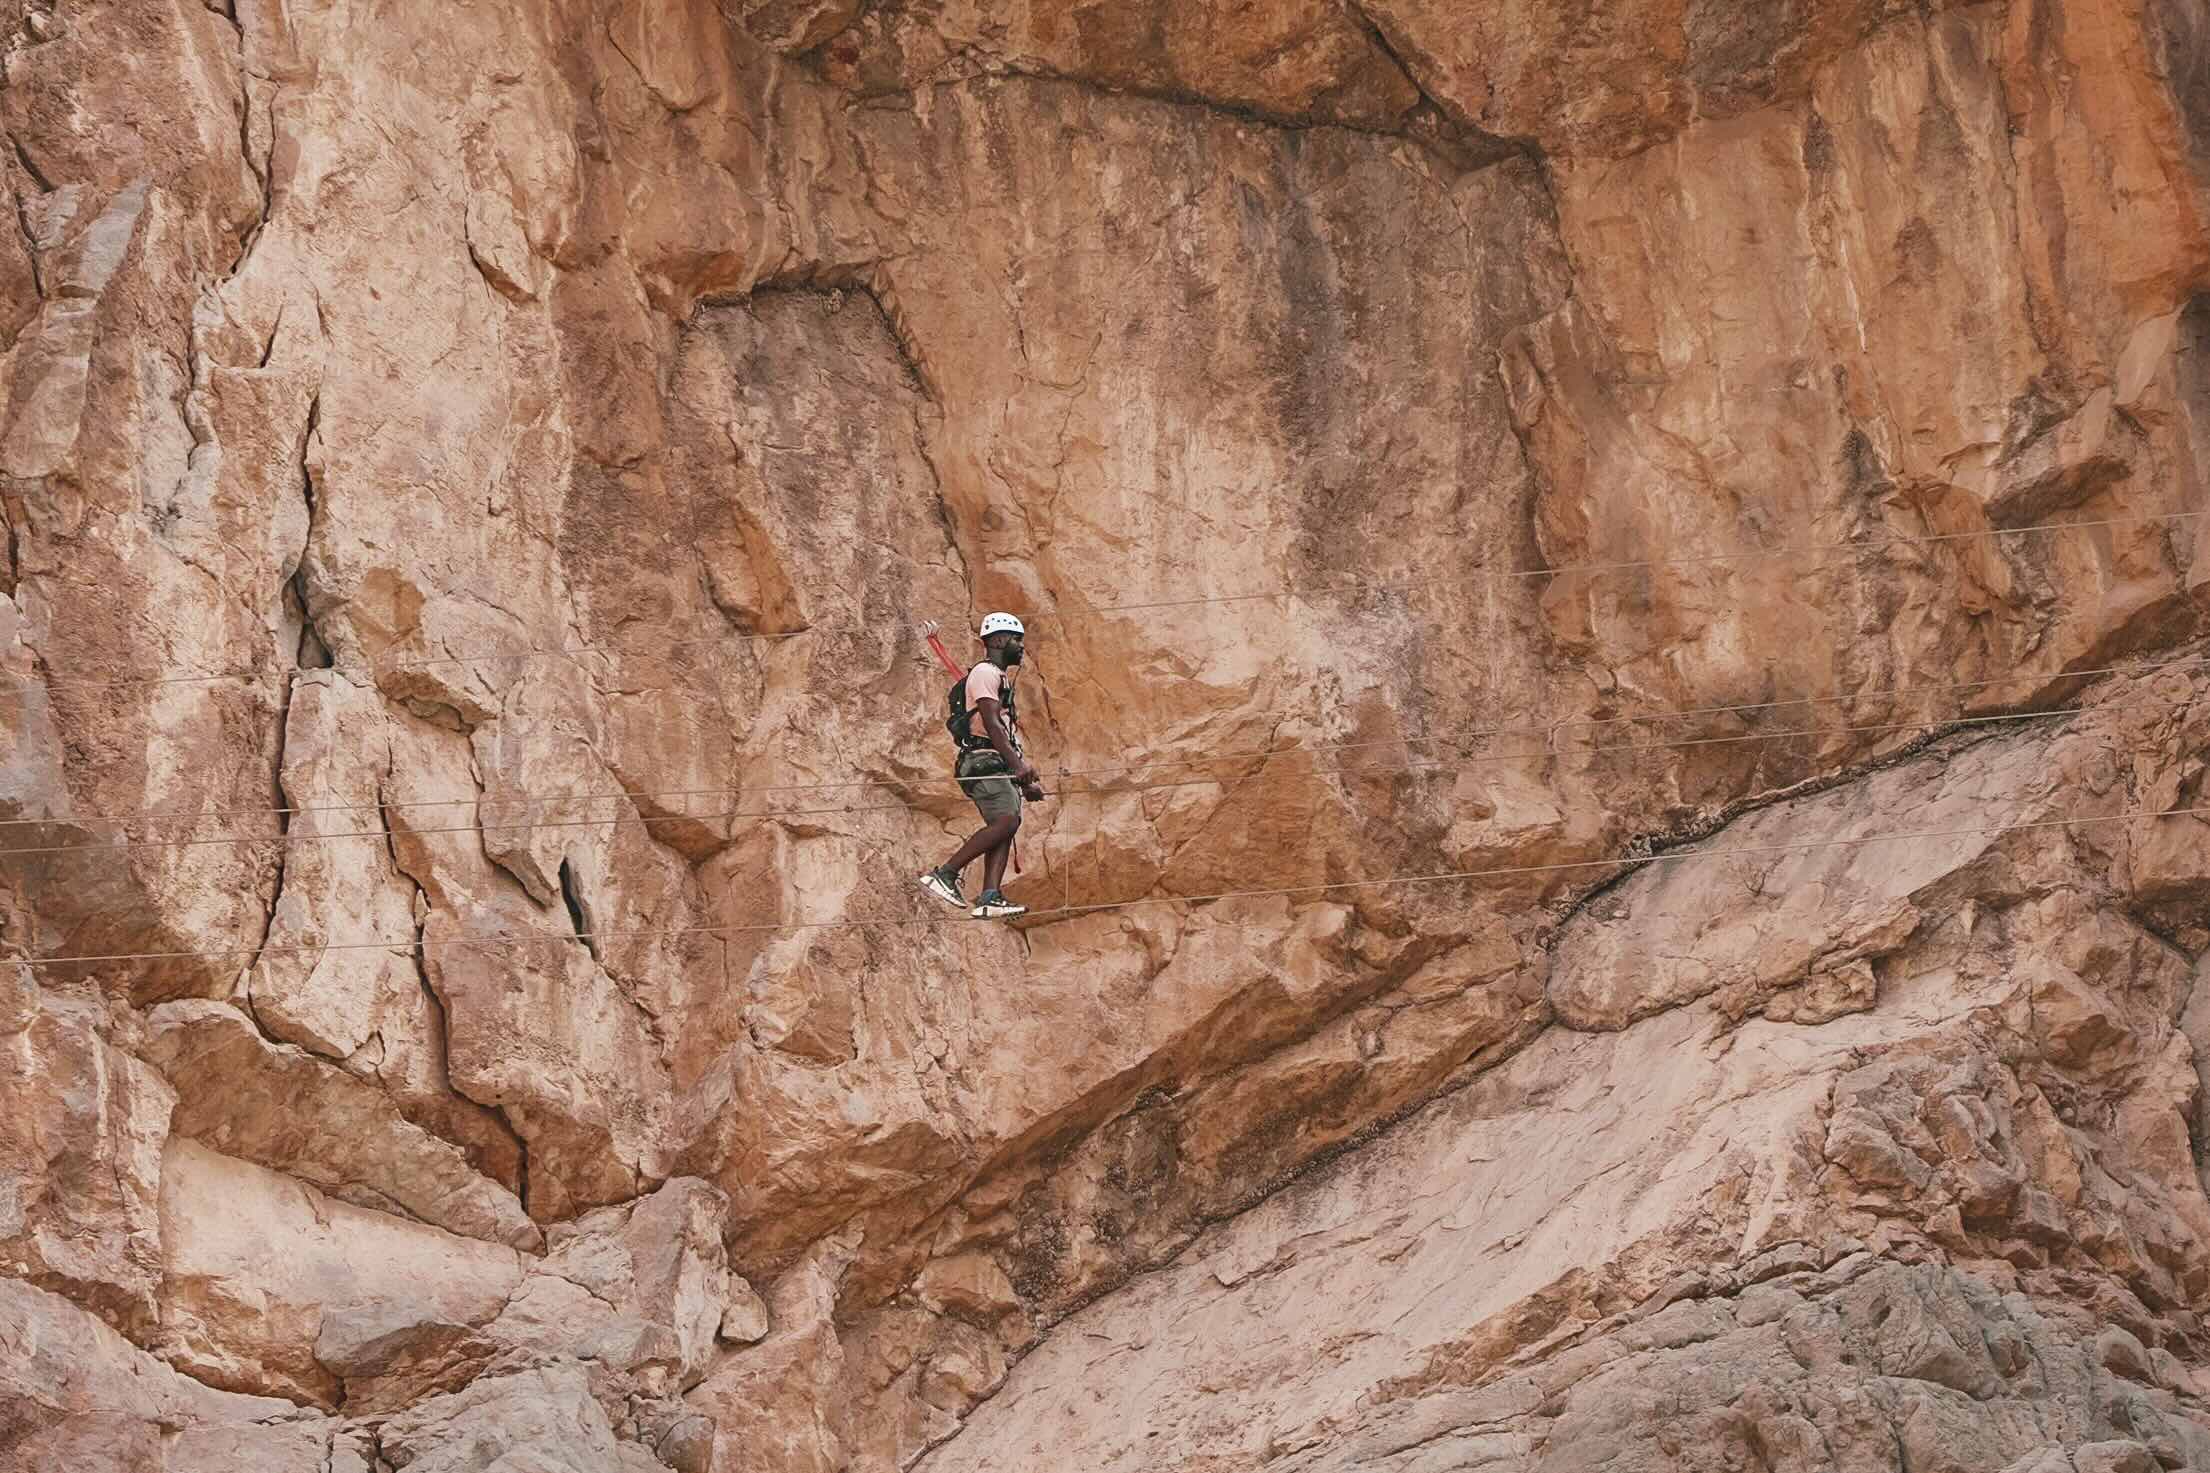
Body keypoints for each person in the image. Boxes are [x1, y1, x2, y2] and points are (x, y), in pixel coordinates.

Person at [918, 612, 1044, 920]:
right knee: (1007, 821)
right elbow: (991, 723)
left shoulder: (995, 677)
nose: (1021, 647)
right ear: (999, 640)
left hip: (993, 762)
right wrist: (1018, 767)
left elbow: (1001, 732)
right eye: (1017, 640)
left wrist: (1025, 782)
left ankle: (990, 896)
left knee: (1005, 825)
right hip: (983, 760)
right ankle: (945, 874)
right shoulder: (986, 673)